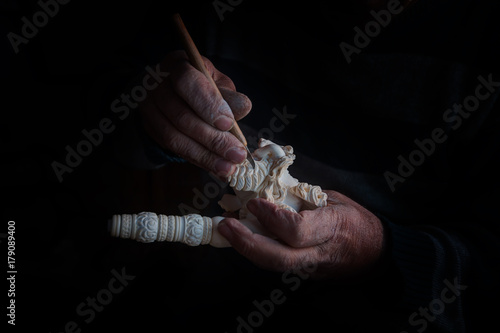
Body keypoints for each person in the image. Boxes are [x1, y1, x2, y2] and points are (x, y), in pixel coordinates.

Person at [116, 0, 500, 331]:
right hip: (196, 300)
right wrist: (151, 118)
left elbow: (484, 284)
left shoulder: (484, 42)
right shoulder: (207, 13)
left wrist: (381, 252)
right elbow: (92, 128)